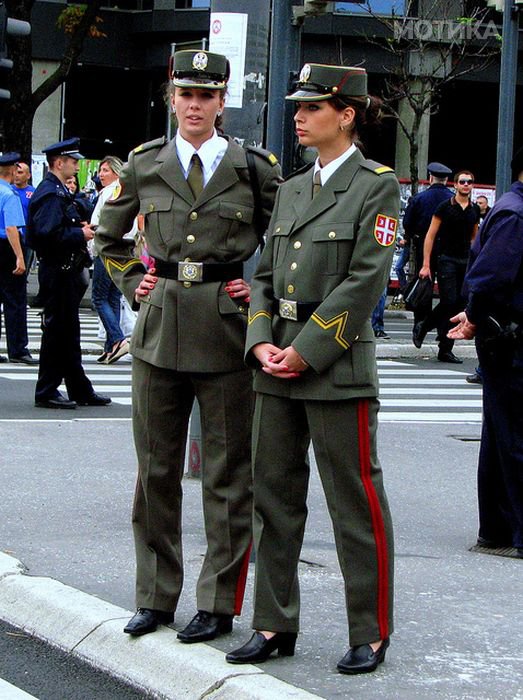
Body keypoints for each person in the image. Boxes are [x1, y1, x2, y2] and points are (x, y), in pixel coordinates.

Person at [95, 50, 281, 642]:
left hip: (227, 331)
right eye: (185, 95)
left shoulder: (253, 167)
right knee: (155, 472)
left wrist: (258, 287)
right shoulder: (146, 162)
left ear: (223, 102)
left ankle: (219, 602)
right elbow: (108, 235)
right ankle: (154, 596)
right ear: (171, 98)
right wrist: (131, 278)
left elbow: (286, 237)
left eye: (206, 96)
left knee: (229, 475)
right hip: (158, 329)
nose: (195, 105)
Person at [226, 62, 398, 674]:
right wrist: (261, 343)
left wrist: (309, 349)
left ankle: (370, 631)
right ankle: (274, 623)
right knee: (272, 499)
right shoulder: (294, 186)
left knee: (354, 503)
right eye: (297, 108)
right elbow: (265, 276)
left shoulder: (376, 186)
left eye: (311, 108)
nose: (297, 117)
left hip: (336, 365)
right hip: (276, 362)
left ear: (346, 114)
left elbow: (364, 281)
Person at [448, 146, 523, 559]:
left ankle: (496, 529)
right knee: (512, 436)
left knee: (501, 435)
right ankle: (512, 531)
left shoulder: (513, 210)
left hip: (505, 337)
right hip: (509, 339)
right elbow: (491, 278)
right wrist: (475, 315)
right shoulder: (514, 213)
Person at [26, 137, 111, 410]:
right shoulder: (51, 193)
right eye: (73, 162)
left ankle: (78, 387)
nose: (77, 166)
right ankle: (47, 390)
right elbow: (44, 234)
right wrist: (80, 233)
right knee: (57, 333)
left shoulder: (61, 191)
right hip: (58, 270)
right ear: (58, 163)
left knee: (68, 333)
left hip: (67, 271)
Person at [416, 170, 480, 363]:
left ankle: (445, 349)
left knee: (459, 304)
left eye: (469, 182)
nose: (466, 185)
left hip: (465, 261)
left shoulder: (474, 209)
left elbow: (474, 238)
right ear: (455, 185)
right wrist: (426, 264)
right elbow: (430, 235)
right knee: (448, 302)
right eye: (462, 181)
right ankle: (424, 326)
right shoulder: (444, 207)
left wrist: (475, 263)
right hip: (446, 259)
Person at [89, 156, 130, 365]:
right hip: (124, 248)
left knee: (99, 297)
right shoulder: (126, 190)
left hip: (106, 248)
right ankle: (110, 347)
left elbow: (98, 222)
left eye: (105, 170)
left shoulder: (108, 192)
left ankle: (116, 339)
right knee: (113, 297)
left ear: (115, 171)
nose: (100, 175)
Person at [403, 162, 453, 330]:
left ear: (431, 178)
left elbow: (407, 223)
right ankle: (444, 336)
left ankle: (420, 323)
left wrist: (411, 238)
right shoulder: (452, 199)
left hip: (423, 246)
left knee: (424, 287)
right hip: (448, 249)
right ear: (446, 180)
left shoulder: (419, 199)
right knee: (448, 294)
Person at [0, 152, 37, 365]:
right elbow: (12, 227)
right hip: (6, 247)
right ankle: (18, 348)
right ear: (13, 171)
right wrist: (19, 257)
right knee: (15, 300)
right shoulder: (10, 195)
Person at [12, 161, 36, 271]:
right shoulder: (8, 190)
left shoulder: (33, 193)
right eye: (15, 172)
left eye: (20, 172)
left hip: (27, 238)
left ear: (28, 175)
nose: (17, 175)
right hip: (10, 237)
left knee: (23, 270)